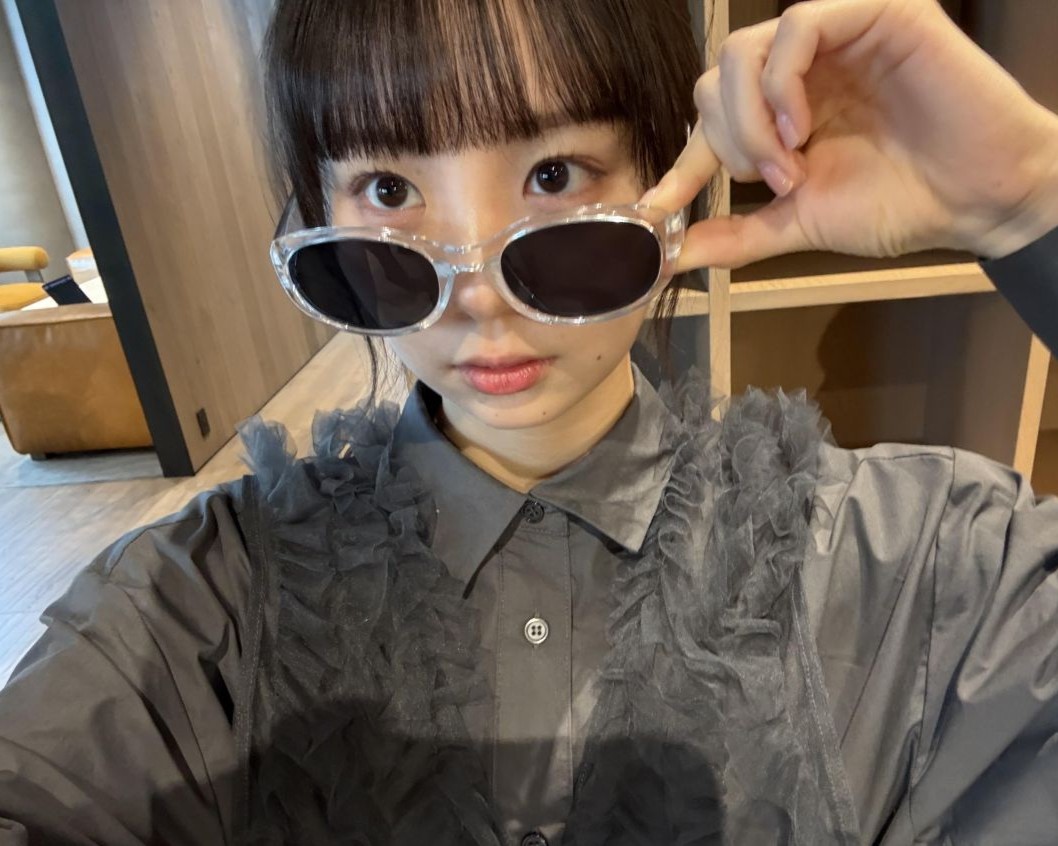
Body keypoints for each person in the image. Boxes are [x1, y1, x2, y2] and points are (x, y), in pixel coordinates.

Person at [2, 0, 1057, 843]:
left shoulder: (913, 570)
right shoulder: (205, 609)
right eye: (388, 188)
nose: (479, 299)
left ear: (667, 177)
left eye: (553, 175)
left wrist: (1026, 200)